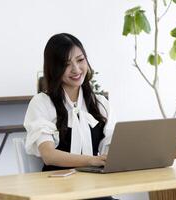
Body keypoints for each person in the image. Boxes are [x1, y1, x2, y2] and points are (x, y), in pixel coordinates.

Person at [24, 33, 116, 200]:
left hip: (95, 190)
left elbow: (110, 148)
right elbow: (49, 155)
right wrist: (91, 161)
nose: (76, 69)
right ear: (54, 68)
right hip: (56, 193)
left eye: (80, 60)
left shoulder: (100, 103)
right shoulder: (42, 103)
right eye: (66, 64)